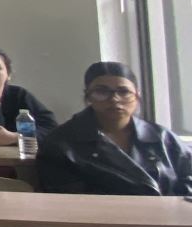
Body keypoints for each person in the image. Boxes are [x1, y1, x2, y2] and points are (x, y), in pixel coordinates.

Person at [38, 62, 192, 196]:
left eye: (124, 92)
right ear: (88, 96)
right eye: (101, 92)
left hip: (171, 217)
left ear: (137, 96)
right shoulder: (61, 143)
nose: (114, 99)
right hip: (101, 219)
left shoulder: (163, 138)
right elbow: (68, 198)